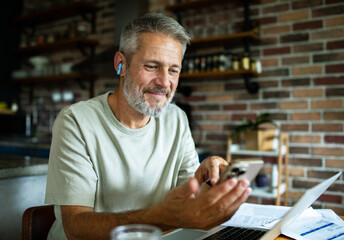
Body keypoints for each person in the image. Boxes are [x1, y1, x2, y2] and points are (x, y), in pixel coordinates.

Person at [45, 13, 251, 240]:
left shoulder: (176, 119)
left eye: (173, 70)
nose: (164, 82)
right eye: (152, 66)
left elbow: (191, 200)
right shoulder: (75, 121)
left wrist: (212, 181)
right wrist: (161, 216)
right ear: (120, 65)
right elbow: (76, 227)